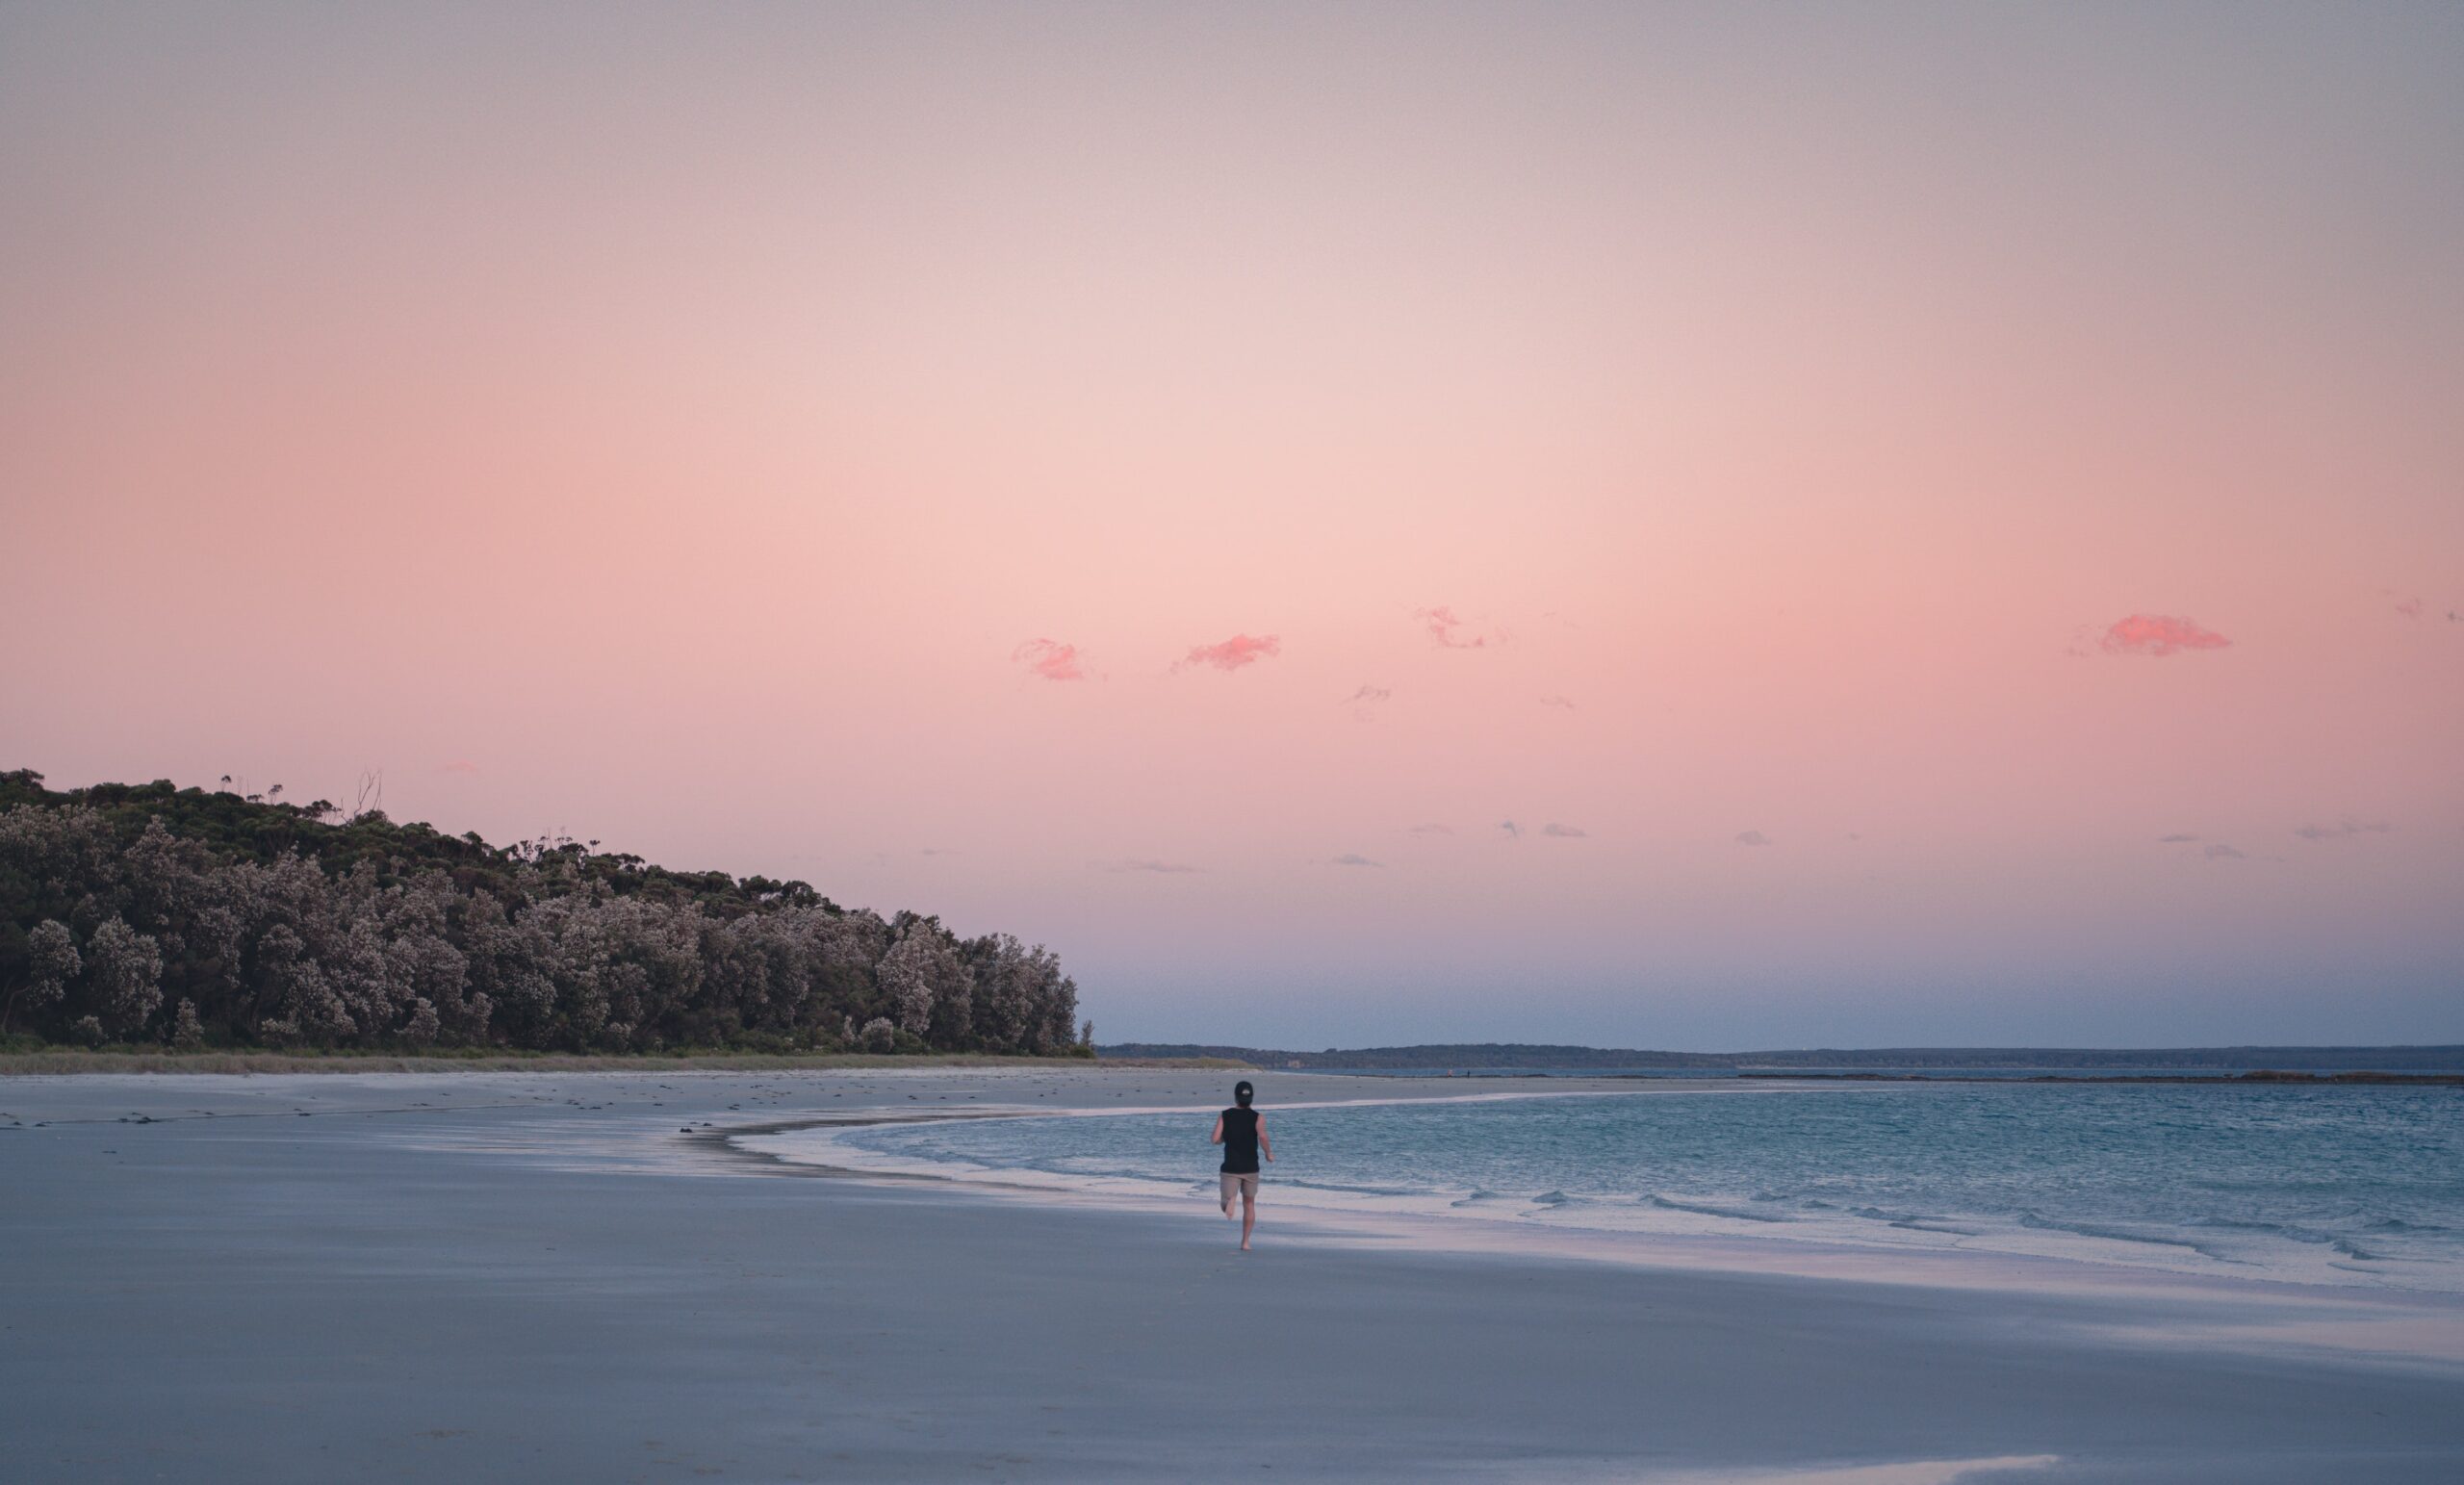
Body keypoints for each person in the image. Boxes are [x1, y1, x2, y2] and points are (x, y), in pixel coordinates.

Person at [1209, 1081, 1272, 1250]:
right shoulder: (1258, 1117)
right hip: (1251, 1167)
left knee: (1225, 1203)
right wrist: (1268, 1153)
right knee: (1249, 1204)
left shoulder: (1225, 1115)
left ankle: (1231, 1200)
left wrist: (1224, 1138)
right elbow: (1263, 1138)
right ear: (1251, 1098)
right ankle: (1245, 1242)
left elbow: (1215, 1139)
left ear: (1235, 1097)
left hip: (1230, 1167)